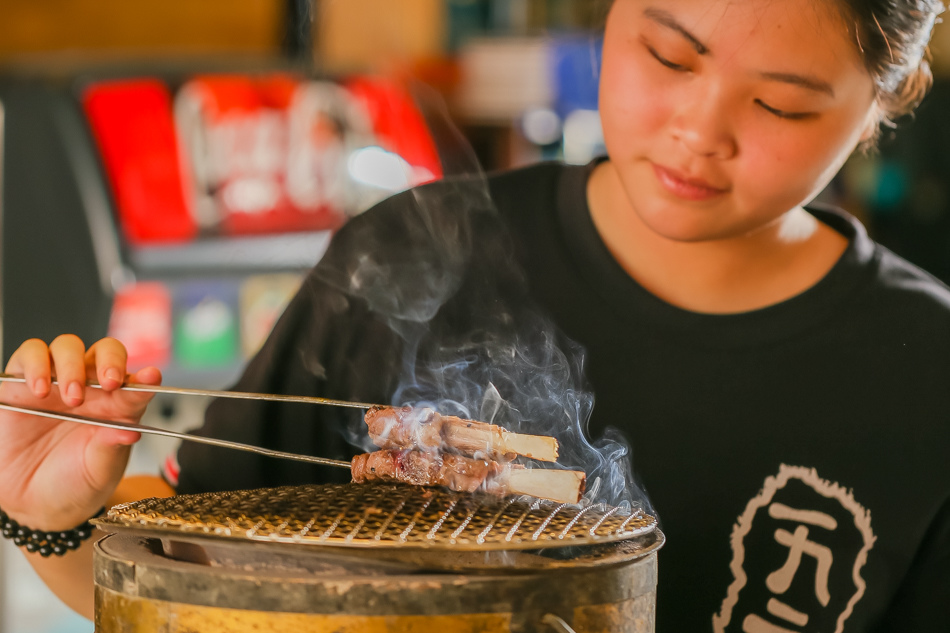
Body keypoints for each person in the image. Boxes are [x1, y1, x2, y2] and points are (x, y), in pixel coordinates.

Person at [1, 0, 947, 630]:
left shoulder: (925, 372)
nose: (698, 133)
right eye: (667, 54)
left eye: (780, 105)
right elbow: (179, 582)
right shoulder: (408, 255)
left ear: (884, 101)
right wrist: (54, 516)